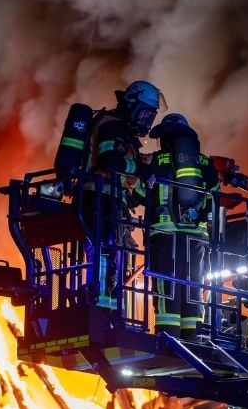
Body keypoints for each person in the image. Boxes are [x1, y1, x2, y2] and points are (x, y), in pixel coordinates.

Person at [82, 80, 165, 311]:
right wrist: (139, 169)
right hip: (98, 197)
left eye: (151, 116)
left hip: (111, 200)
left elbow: (129, 178)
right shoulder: (112, 125)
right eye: (145, 114)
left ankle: (109, 308)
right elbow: (110, 160)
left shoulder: (123, 132)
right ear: (131, 104)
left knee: (113, 256)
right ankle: (99, 307)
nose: (146, 121)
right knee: (104, 253)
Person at [144, 113, 219, 339]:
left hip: (165, 236)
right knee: (194, 283)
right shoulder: (205, 164)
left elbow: (140, 193)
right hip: (197, 238)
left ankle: (168, 333)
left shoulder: (156, 161)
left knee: (167, 284)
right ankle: (192, 332)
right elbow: (215, 200)